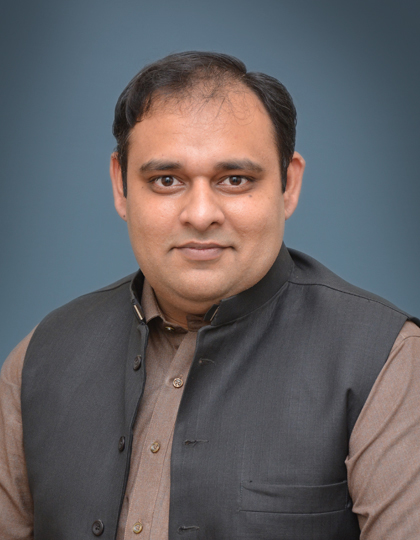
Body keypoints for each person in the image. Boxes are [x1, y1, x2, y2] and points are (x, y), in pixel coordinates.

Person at [1, 51, 419, 540]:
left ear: (288, 185)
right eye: (167, 180)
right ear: (120, 185)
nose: (201, 214)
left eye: (234, 180)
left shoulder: (385, 360)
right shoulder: (40, 357)